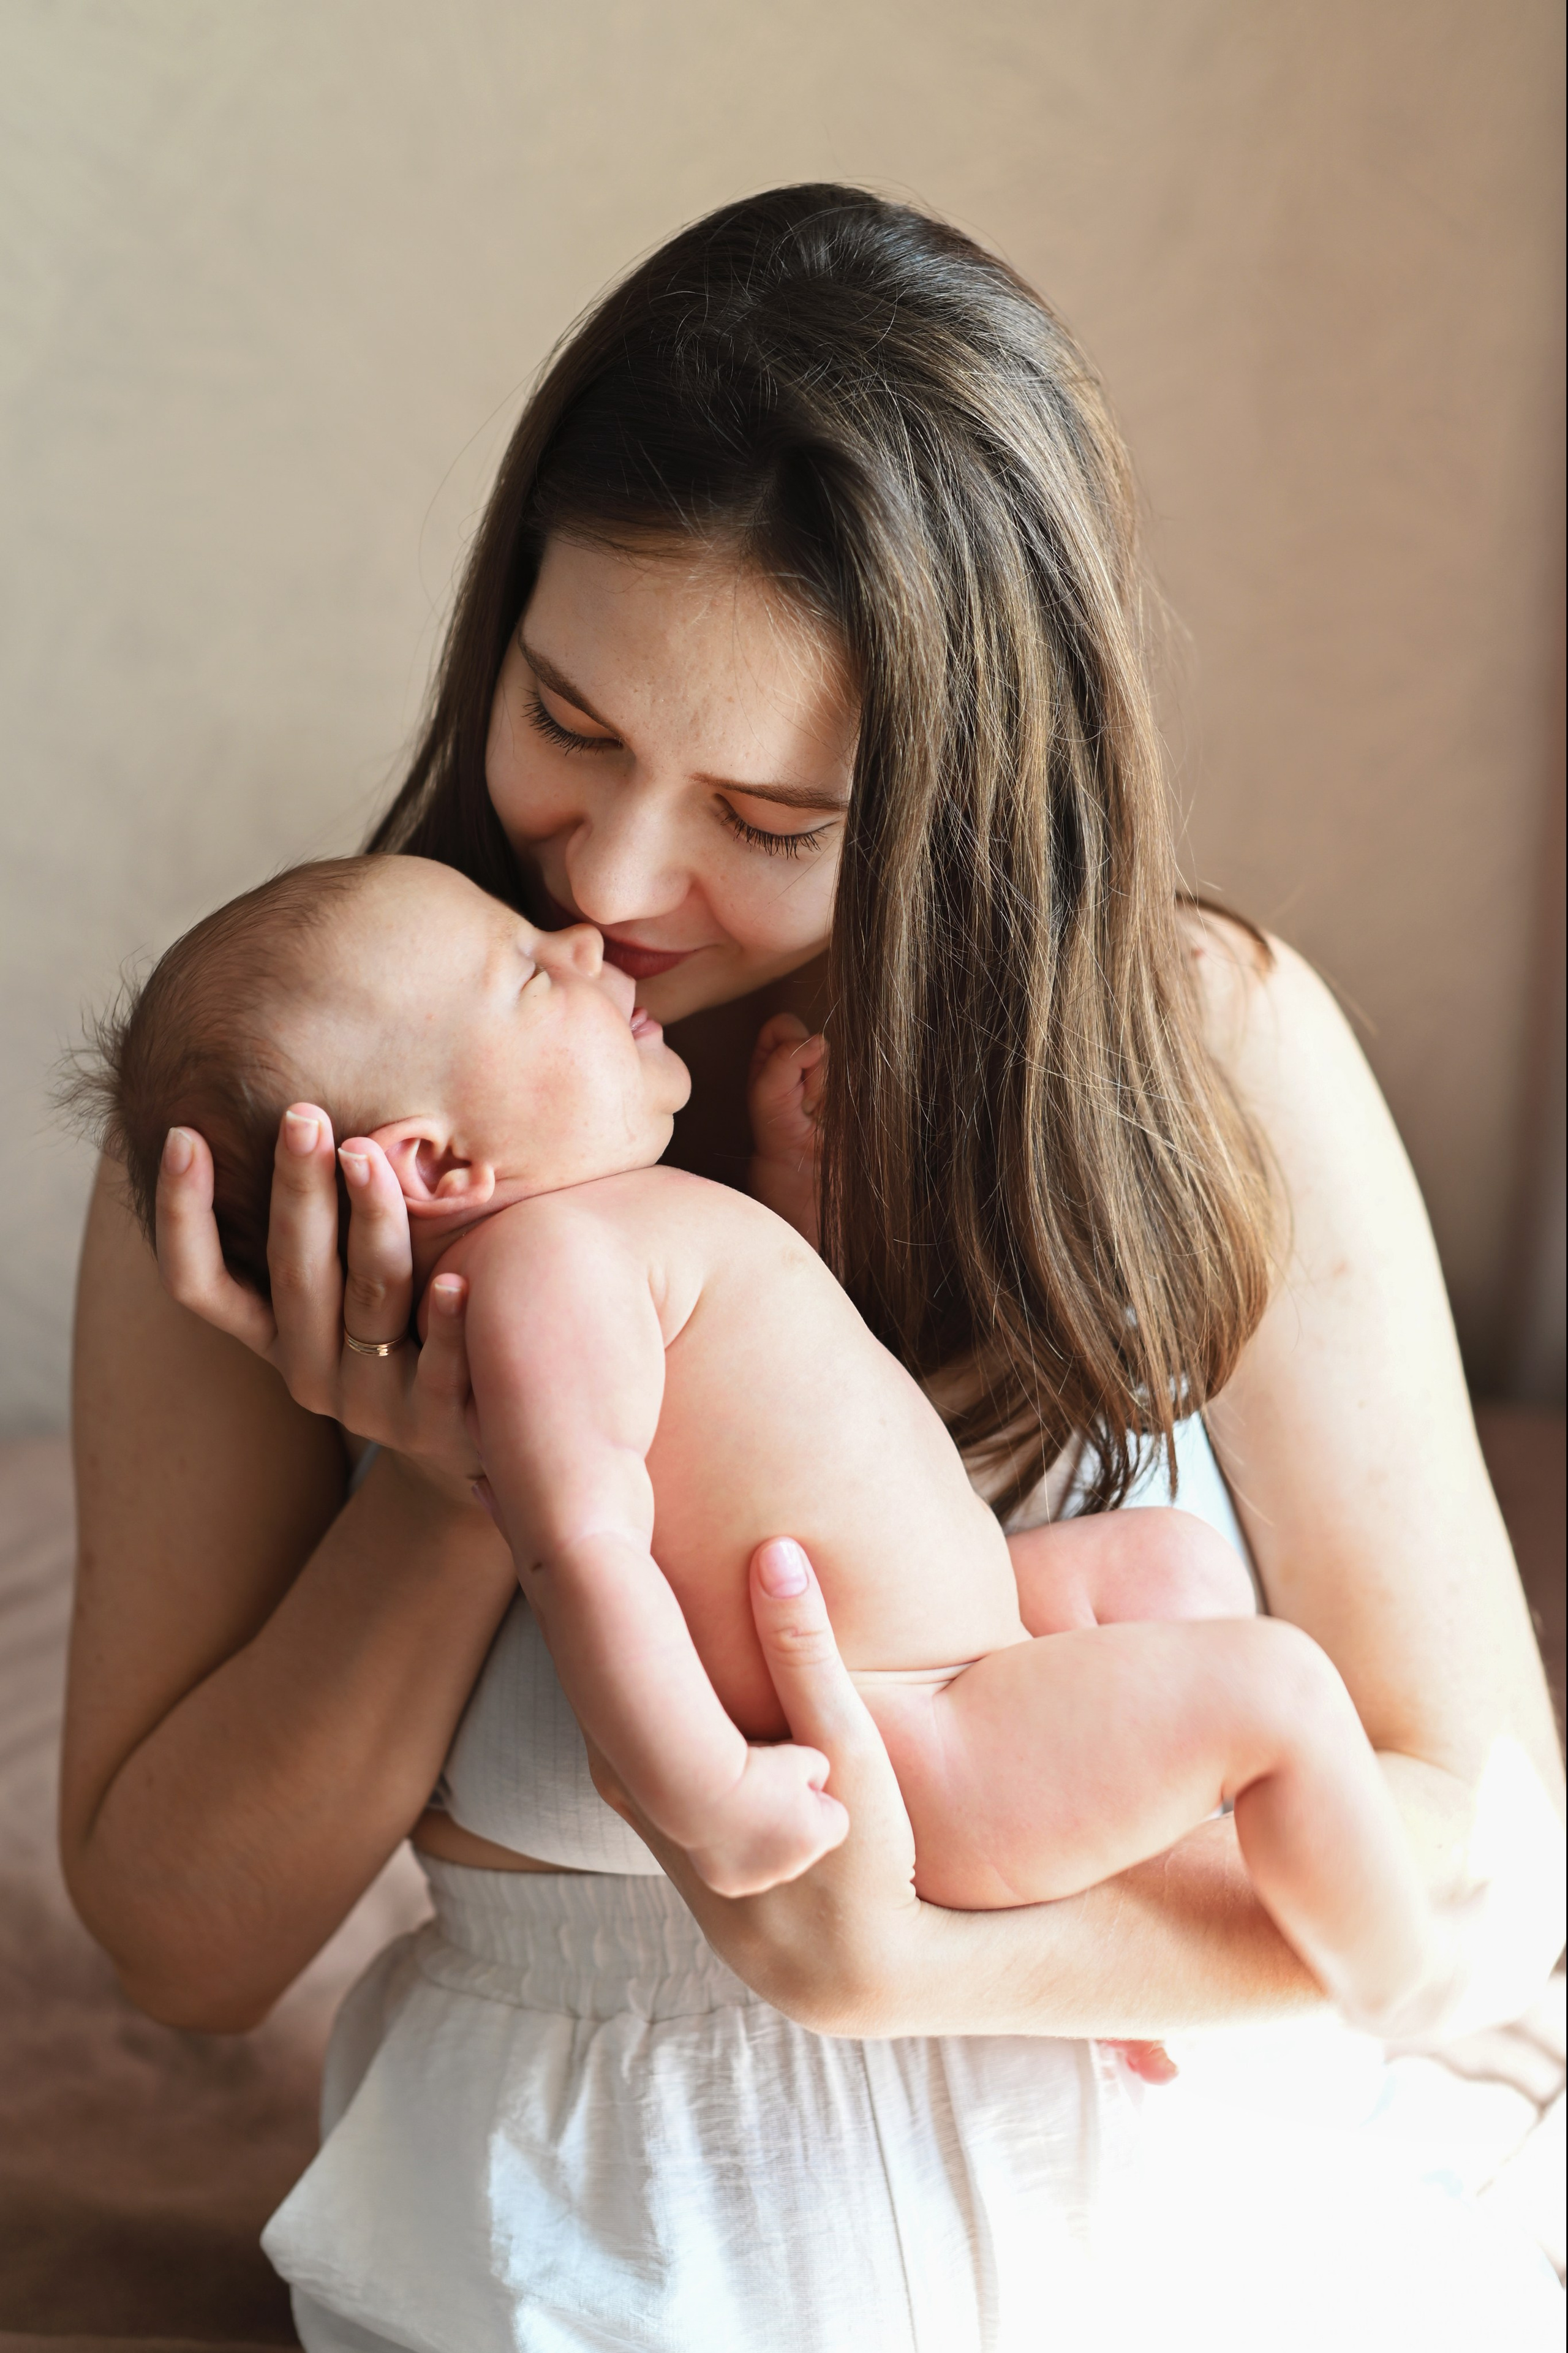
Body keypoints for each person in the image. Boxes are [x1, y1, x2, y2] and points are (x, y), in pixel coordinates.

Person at [61, 187, 1564, 2352]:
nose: (627, 883)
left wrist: (936, 1970)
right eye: (569, 722)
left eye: (775, 817)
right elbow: (186, 1949)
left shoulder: (1208, 1054)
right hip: (598, 2257)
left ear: (975, 797)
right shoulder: (305, 1123)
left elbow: (1482, 1869)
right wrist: (437, 1491)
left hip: (1199, 2241)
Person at [87, 847, 1458, 2047]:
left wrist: (797, 1204)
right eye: (524, 977)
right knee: (1271, 1689)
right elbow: (584, 1553)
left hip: (968, 1641)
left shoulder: (614, 1223)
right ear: (439, 1169)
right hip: (911, 1731)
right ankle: (1401, 1996)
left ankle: (1116, 1963)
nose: (581, 933)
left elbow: (770, 1405)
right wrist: (708, 1787)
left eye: (762, 808)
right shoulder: (544, 1275)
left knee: (1164, 1565)